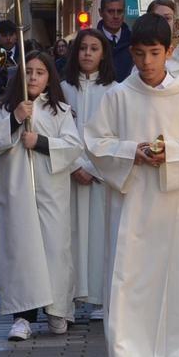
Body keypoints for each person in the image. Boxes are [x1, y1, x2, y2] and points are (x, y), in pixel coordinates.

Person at [86, 13, 179, 357]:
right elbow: (96, 144)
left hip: (178, 208)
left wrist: (172, 152)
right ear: (130, 53)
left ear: (170, 52)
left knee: (177, 284)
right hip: (133, 206)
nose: (147, 62)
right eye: (140, 54)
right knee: (128, 282)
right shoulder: (117, 96)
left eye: (155, 53)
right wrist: (133, 151)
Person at [0, 52, 83, 341]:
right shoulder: (4, 107)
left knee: (54, 248)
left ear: (49, 77)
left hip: (51, 190)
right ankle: (23, 315)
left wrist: (39, 141)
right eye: (29, 72)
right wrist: (15, 119)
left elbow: (73, 146)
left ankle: (57, 309)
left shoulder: (60, 110)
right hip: (18, 191)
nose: (34, 77)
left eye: (40, 72)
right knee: (22, 251)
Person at [61, 30, 117, 317]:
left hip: (99, 175)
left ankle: (98, 297)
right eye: (82, 48)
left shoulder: (115, 91)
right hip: (70, 173)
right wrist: (73, 165)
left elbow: (116, 134)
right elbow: (56, 132)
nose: (87, 53)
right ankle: (68, 295)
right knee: (70, 236)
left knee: (99, 235)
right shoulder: (62, 89)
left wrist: (93, 167)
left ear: (103, 54)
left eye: (94, 48)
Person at [96, 0, 134, 81]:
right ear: (100, 12)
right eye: (110, 11)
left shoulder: (134, 40)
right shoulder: (92, 42)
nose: (116, 16)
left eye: (119, 11)